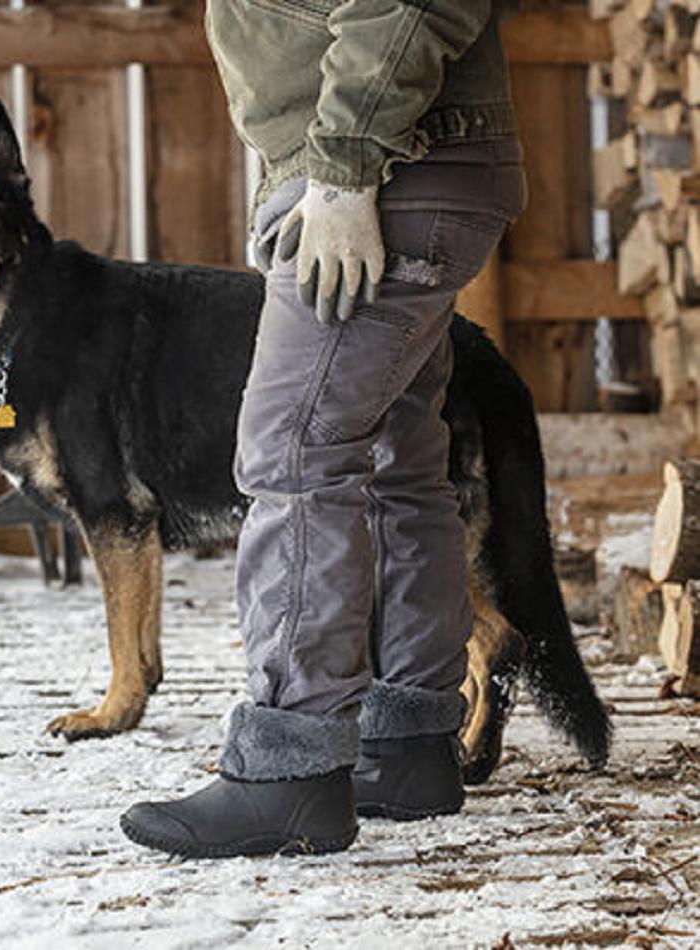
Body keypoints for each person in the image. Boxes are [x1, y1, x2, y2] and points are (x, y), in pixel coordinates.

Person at [120, 0, 527, 858]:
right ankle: (410, 743)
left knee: (294, 454)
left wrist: (344, 169)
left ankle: (289, 772)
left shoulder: (360, 163)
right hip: (410, 164)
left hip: (386, 172)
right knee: (396, 460)